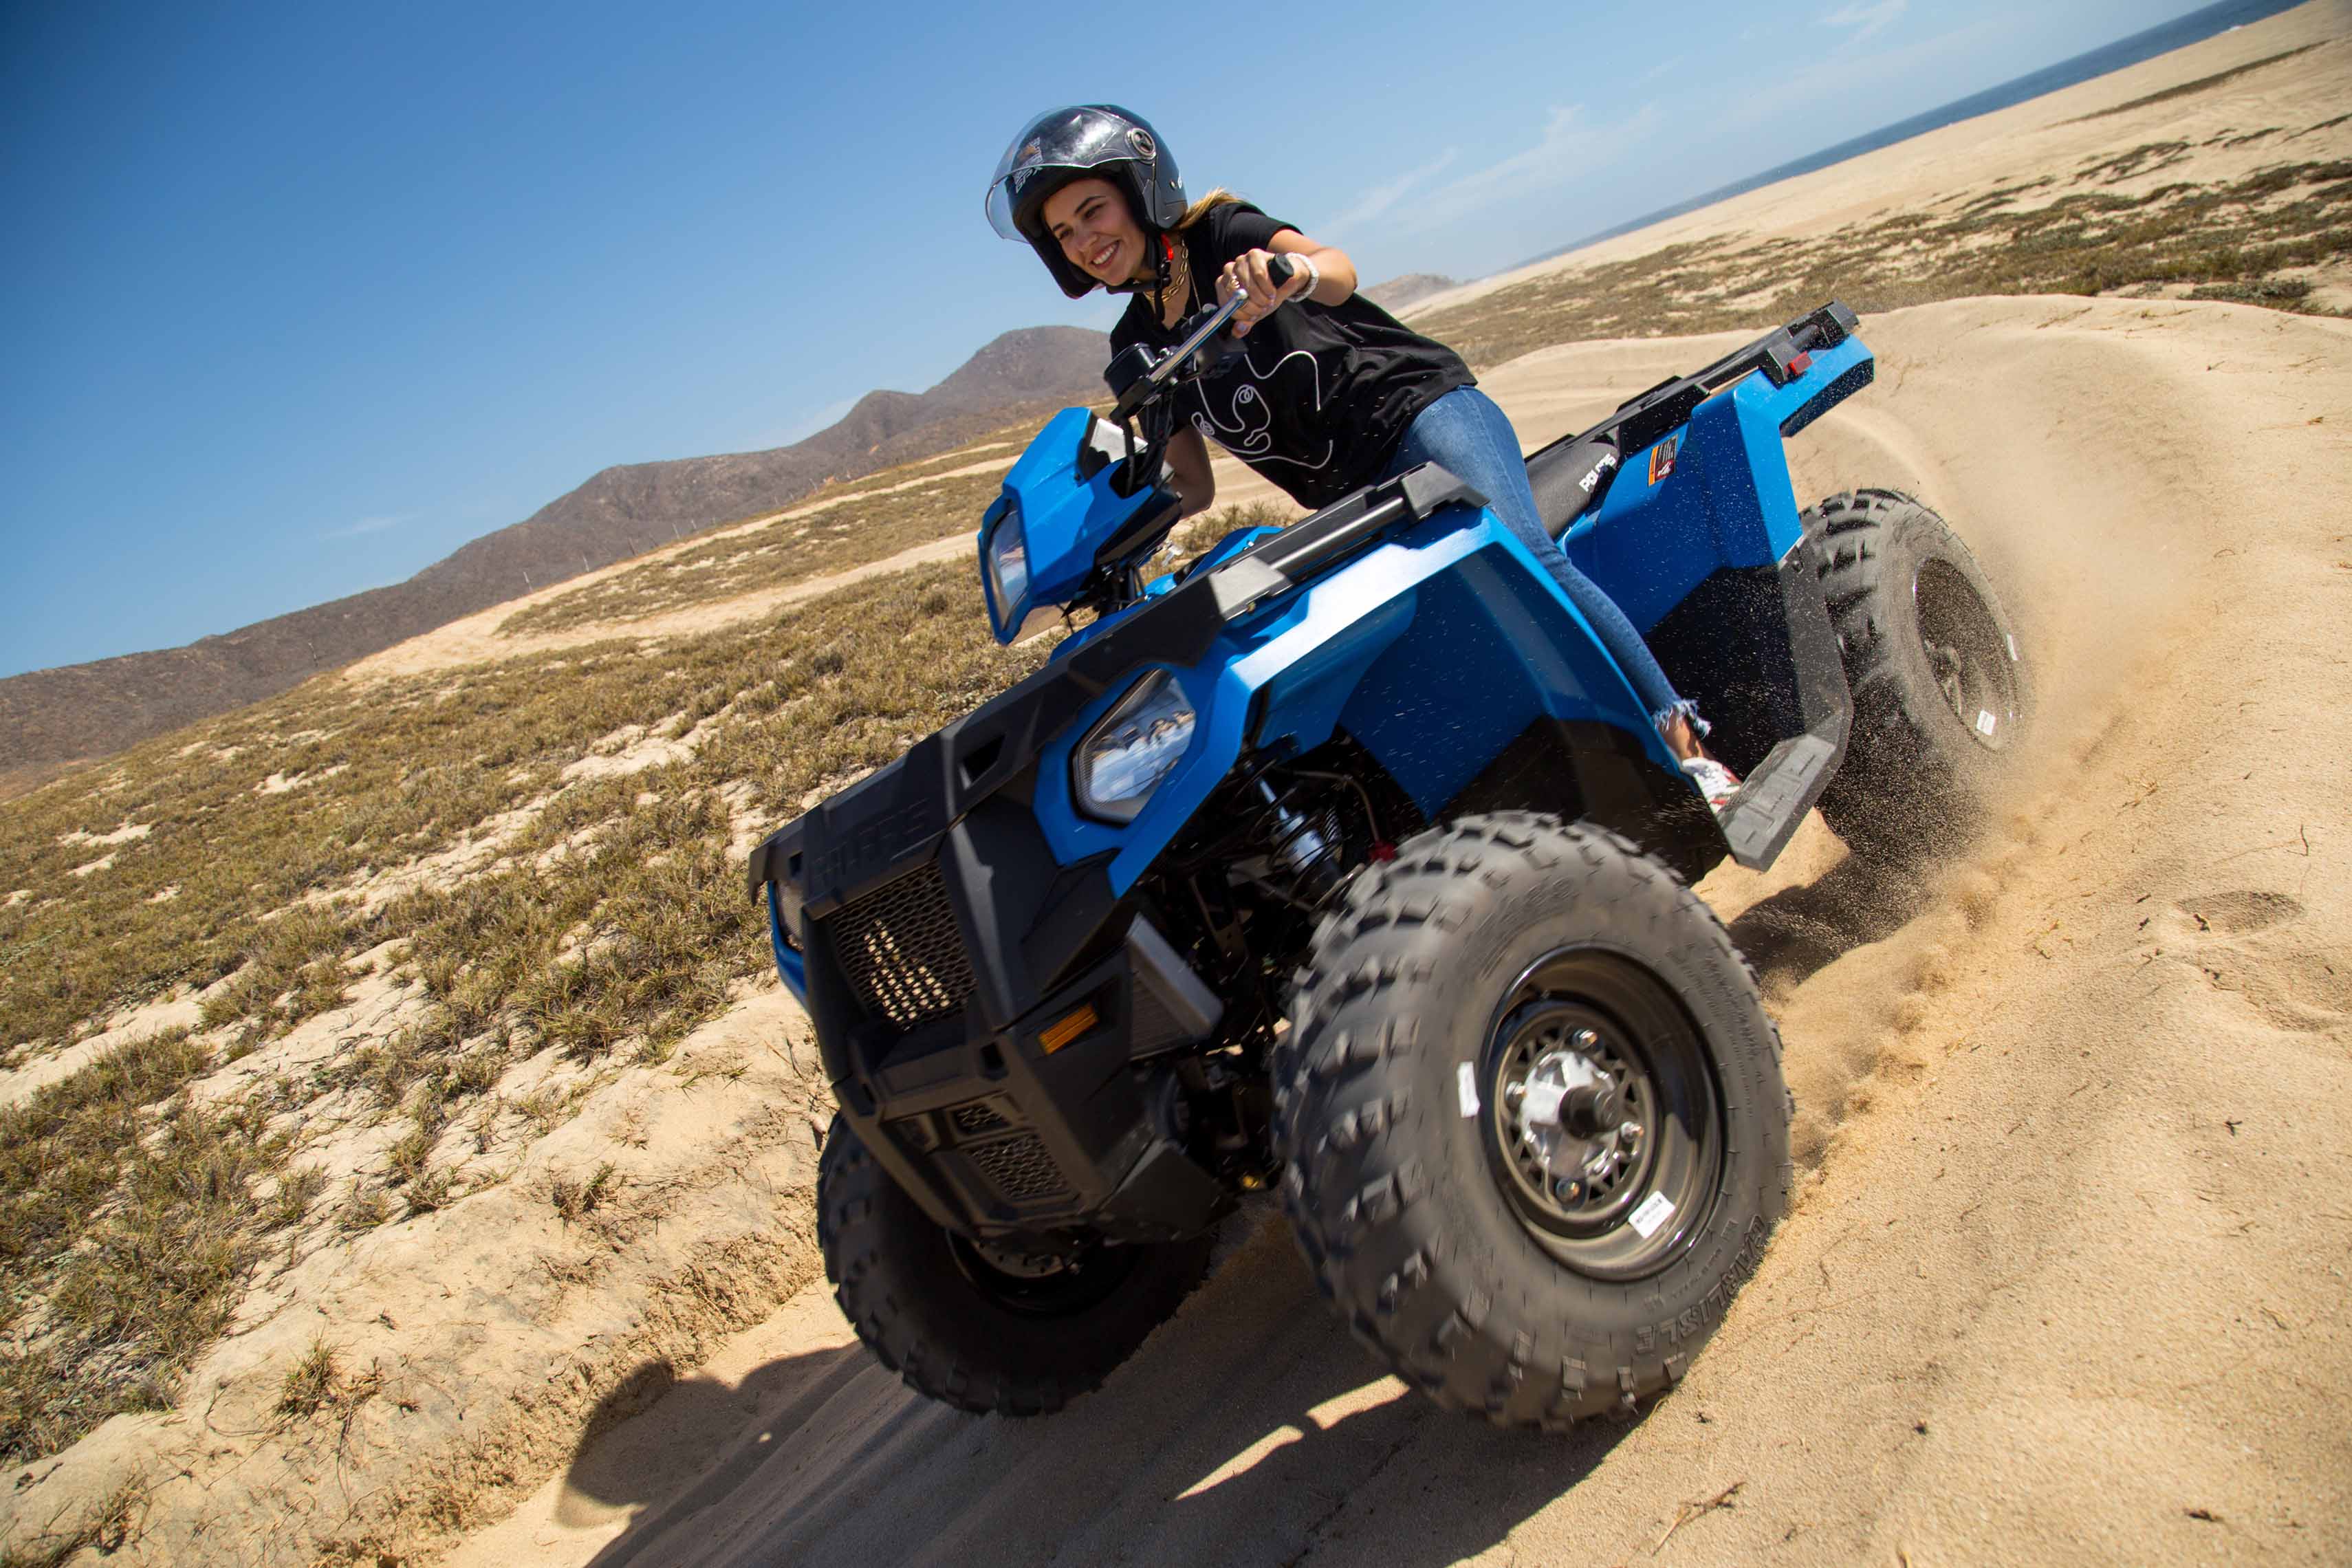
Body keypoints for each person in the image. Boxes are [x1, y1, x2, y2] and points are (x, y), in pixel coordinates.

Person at [984, 105, 1738, 806]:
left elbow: (1337, 269)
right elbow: (1194, 482)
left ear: (1137, 193)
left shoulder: (1221, 234)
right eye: (1063, 233)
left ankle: (1687, 743)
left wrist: (1287, 278)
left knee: (1526, 556)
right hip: (1356, 495)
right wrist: (1111, 528)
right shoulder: (1134, 348)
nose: (1084, 240)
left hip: (1418, 412)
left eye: (1093, 211)